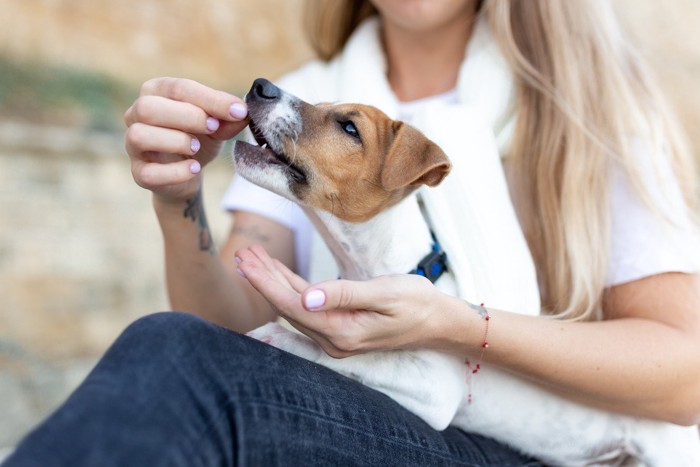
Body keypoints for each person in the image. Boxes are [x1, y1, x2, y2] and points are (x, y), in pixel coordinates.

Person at [5, 0, 700, 465]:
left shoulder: (588, 112)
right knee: (168, 345)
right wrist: (177, 198)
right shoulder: (307, 94)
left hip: (561, 451)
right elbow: (226, 331)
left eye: (347, 127)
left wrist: (457, 326)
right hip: (377, 432)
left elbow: (685, 377)